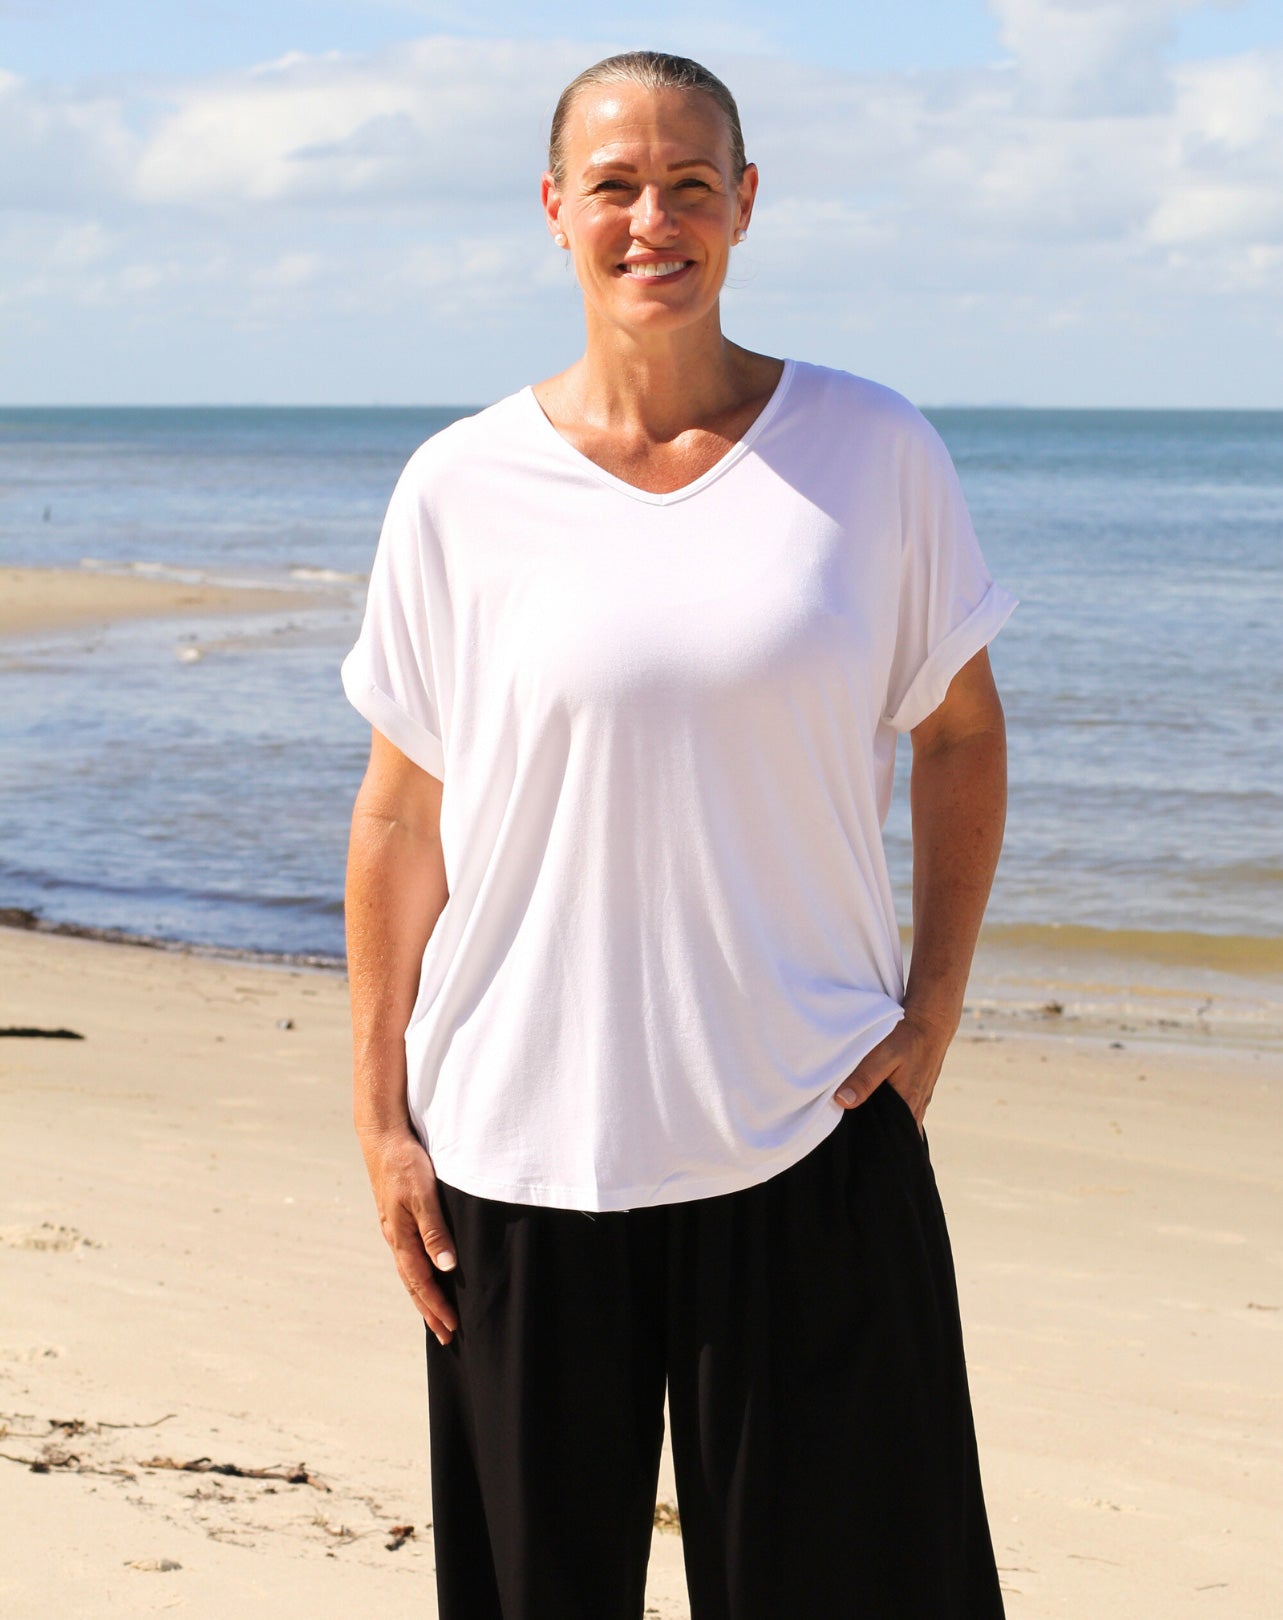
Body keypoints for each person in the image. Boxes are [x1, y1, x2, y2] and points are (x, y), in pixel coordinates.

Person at [341, 49, 1015, 1620]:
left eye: (691, 184)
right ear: (555, 208)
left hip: (810, 1133)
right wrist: (380, 1112)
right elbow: (399, 809)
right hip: (511, 1153)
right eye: (618, 185)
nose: (656, 218)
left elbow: (963, 732)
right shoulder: (457, 488)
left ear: (747, 204)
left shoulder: (873, 450)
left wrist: (933, 1009)